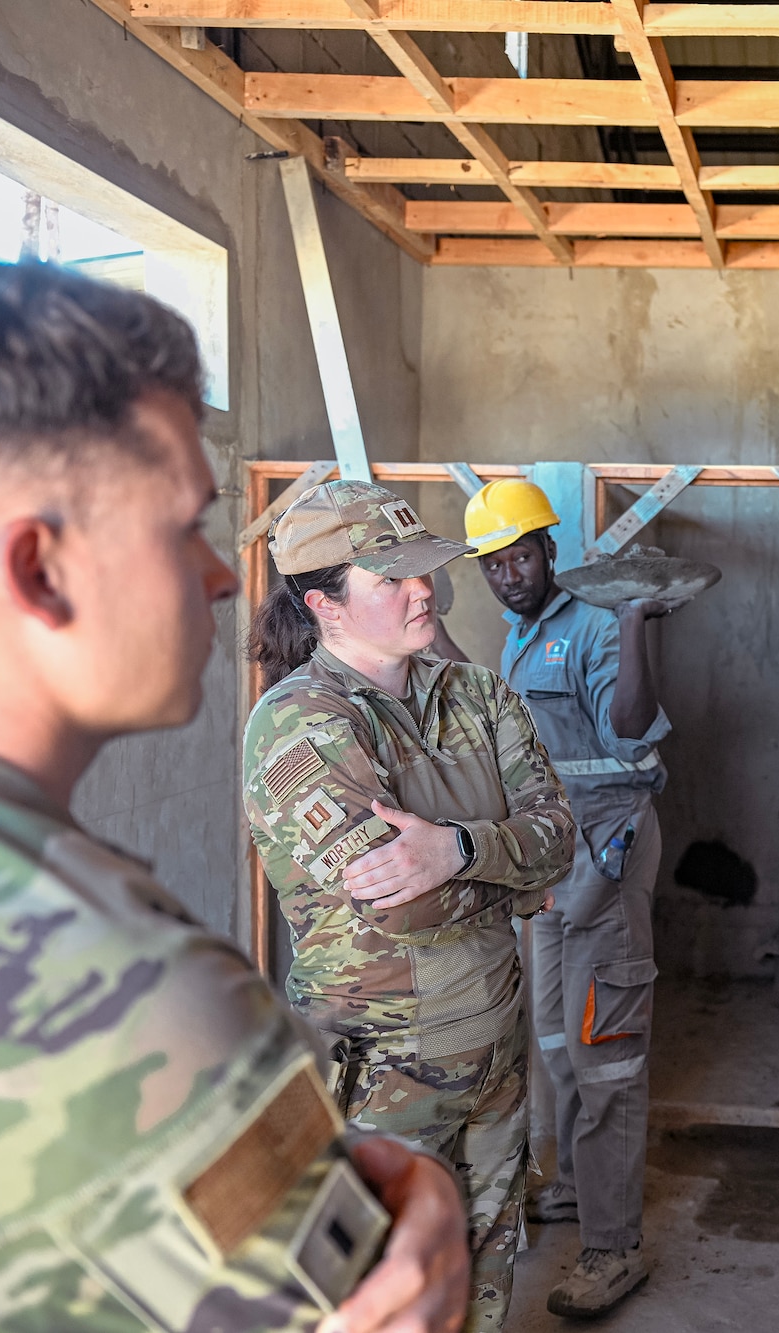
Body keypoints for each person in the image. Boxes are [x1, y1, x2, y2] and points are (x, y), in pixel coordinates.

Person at [0, 250, 470, 1333]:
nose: (220, 576)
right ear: (40, 569)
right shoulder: (120, 1006)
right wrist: (417, 1210)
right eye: (182, 525)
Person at [242, 478, 578, 1332]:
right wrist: (506, 858)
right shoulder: (299, 725)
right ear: (326, 604)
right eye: (389, 579)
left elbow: (560, 839)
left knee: (489, 1271)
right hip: (383, 1074)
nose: (421, 588)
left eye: (421, 569)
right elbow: (399, 907)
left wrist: (457, 846)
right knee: (386, 1292)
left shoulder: (476, 694)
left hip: (493, 1054)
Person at [466, 478, 681, 1319]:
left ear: (550, 549)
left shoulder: (594, 623)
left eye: (519, 554)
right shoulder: (521, 636)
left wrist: (632, 626)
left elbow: (630, 730)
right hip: (554, 865)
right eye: (492, 562)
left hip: (609, 852)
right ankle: (576, 1189)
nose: (508, 573)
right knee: (556, 1038)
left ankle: (613, 1243)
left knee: (607, 1052)